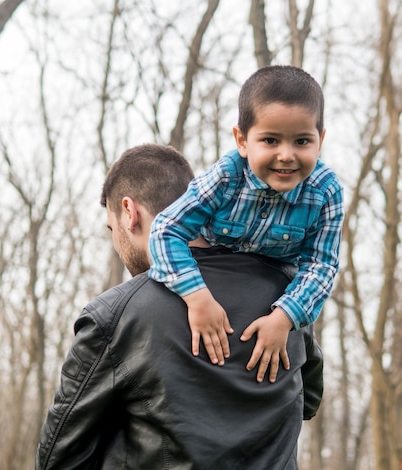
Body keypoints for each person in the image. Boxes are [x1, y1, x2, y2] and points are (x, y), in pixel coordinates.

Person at [35, 143, 323, 470]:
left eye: (112, 230)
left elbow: (60, 459)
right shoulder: (286, 295)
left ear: (130, 213)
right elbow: (307, 399)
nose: (117, 246)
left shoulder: (115, 317)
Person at [148, 65, 344, 382]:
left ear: (320, 140)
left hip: (276, 283)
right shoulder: (227, 176)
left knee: (304, 355)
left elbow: (321, 267)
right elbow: (166, 230)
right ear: (242, 140)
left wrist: (283, 318)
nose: (286, 155)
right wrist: (197, 298)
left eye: (302, 142)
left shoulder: (325, 192)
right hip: (215, 269)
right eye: (270, 140)